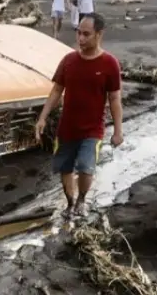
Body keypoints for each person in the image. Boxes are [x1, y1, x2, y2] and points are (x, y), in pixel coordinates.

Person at [34, 13, 124, 219]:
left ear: (99, 34)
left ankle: (82, 200)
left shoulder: (109, 63)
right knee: (64, 168)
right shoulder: (69, 61)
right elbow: (57, 90)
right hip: (67, 128)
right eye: (78, 33)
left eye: (86, 34)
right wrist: (42, 117)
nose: (80, 38)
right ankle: (70, 204)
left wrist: (118, 131)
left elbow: (115, 99)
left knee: (85, 167)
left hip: (92, 129)